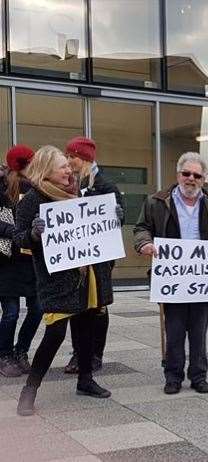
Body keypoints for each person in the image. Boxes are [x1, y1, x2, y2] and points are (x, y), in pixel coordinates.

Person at [133, 152, 208, 395]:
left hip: (203, 277)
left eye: (197, 175)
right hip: (172, 277)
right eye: (186, 174)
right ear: (178, 175)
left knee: (199, 330)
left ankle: (198, 375)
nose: (191, 179)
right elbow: (142, 228)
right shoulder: (157, 201)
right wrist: (144, 244)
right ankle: (173, 376)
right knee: (174, 329)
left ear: (203, 179)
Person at [15, 146, 112, 416]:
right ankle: (30, 389)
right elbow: (19, 238)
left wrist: (112, 219)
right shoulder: (32, 200)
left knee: (85, 329)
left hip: (85, 274)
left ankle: (85, 380)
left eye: (69, 167)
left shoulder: (77, 193)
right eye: (62, 167)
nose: (69, 170)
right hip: (56, 279)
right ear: (47, 170)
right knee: (55, 334)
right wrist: (34, 234)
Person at [63, 136, 124, 374]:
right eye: (67, 157)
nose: (69, 161)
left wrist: (118, 215)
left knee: (98, 307)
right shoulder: (69, 186)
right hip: (76, 258)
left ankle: (95, 355)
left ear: (85, 159)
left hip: (99, 260)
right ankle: (79, 353)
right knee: (77, 307)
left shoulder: (105, 186)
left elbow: (118, 222)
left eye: (73, 157)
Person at [0, 146, 42, 377]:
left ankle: (20, 351)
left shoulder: (38, 189)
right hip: (7, 262)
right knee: (11, 312)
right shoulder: (2, 189)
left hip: (31, 260)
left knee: (37, 309)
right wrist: (16, 230)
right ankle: (3, 354)